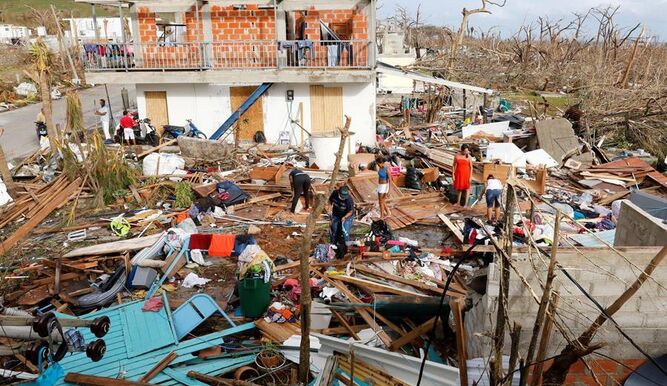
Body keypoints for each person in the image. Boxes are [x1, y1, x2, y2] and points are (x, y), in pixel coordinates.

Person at [376, 154, 391, 218]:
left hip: (384, 186)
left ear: (382, 163)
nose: (378, 165)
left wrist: (389, 191)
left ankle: (381, 216)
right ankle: (388, 212)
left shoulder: (386, 169)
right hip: (380, 185)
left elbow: (390, 180)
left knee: (381, 202)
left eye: (379, 163)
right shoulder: (379, 168)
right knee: (382, 201)